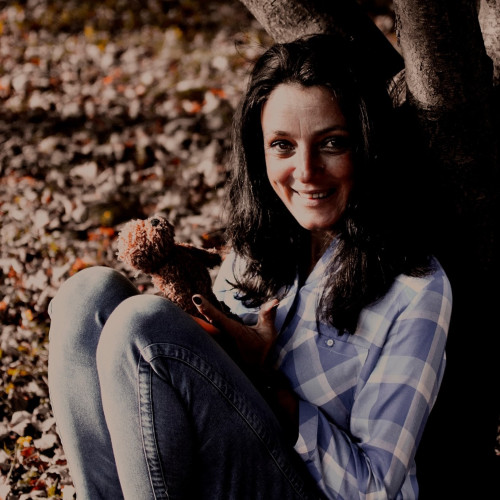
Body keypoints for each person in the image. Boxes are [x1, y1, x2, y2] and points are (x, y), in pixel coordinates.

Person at [48, 34, 452, 499]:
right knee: (87, 297)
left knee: (142, 324)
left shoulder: (415, 288)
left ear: (367, 145)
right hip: (219, 462)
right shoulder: (260, 243)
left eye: (332, 143)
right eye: (282, 145)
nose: (306, 170)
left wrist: (268, 384)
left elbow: (374, 489)